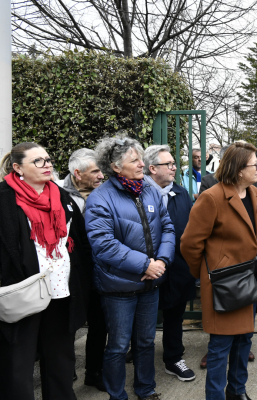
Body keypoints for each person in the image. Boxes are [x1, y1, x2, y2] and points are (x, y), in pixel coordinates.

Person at [0, 142, 93, 399]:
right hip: (23, 293)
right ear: (17, 168)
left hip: (60, 290)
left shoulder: (61, 196)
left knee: (61, 360)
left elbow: (79, 243)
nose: (47, 164)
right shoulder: (5, 198)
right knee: (18, 363)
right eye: (38, 161)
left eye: (48, 159)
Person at [85, 135, 175, 400]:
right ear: (115, 166)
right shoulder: (100, 198)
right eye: (133, 160)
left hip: (150, 284)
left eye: (140, 158)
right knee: (118, 346)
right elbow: (104, 245)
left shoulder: (149, 188)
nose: (140, 164)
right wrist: (146, 264)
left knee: (146, 342)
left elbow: (168, 227)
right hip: (118, 287)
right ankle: (118, 395)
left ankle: (145, 390)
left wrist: (162, 262)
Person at [180, 142, 257, 400]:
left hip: (249, 281)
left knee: (244, 342)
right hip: (224, 286)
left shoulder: (252, 193)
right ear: (239, 169)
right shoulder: (212, 197)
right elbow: (189, 243)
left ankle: (237, 391)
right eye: (254, 164)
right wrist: (207, 274)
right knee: (220, 347)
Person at [143, 145, 196, 382]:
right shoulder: (137, 192)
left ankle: (174, 358)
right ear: (152, 168)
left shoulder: (181, 193)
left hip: (178, 268)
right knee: (142, 316)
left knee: (174, 315)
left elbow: (188, 228)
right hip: (146, 268)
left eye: (174, 163)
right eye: (169, 164)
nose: (175, 168)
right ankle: (139, 354)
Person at [61, 148, 107, 392]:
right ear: (77, 174)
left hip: (99, 268)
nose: (102, 176)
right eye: (96, 171)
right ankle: (65, 372)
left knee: (99, 324)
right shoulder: (57, 193)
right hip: (70, 272)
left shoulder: (105, 193)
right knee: (68, 324)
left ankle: (94, 372)